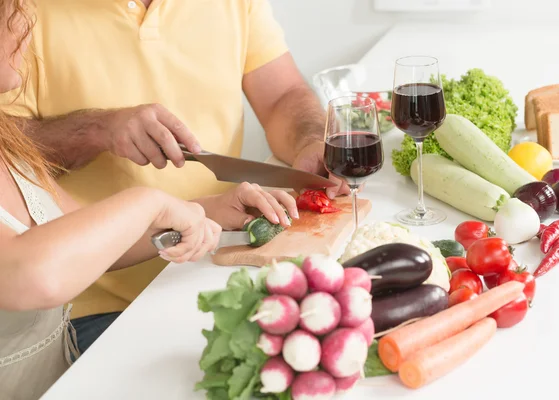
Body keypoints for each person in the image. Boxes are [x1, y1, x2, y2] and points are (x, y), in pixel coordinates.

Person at [0, 0, 347, 354]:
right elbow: (12, 155)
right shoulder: (24, 10)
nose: (22, 28)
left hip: (213, 257)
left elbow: (283, 95)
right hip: (95, 306)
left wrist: (309, 141)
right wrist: (97, 130)